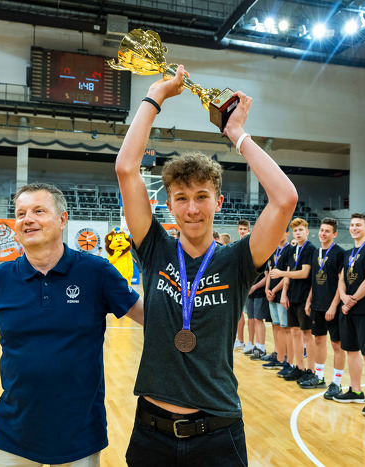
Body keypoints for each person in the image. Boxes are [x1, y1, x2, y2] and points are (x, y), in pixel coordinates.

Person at [115, 65, 297, 466]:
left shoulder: (238, 259)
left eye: (201, 196)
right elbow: (126, 169)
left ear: (219, 202)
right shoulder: (155, 248)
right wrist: (155, 96)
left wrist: (237, 134)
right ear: (168, 204)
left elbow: (285, 198)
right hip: (151, 432)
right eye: (181, 198)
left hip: (217, 432)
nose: (192, 208)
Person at [0, 182, 143, 466]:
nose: (27, 219)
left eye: (38, 211)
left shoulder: (96, 272)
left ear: (62, 219)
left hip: (80, 432)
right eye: (20, 213)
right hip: (14, 430)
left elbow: (152, 318)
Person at [333, 213, 365, 419]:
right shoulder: (347, 253)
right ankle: (355, 391)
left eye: (358, 225)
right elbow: (341, 280)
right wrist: (344, 297)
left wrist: (350, 301)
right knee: (351, 351)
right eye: (352, 225)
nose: (354, 228)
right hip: (348, 308)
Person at [303, 218, 346, 395]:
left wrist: (333, 306)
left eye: (327, 231)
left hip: (333, 307)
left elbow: (341, 282)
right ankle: (319, 377)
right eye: (321, 230)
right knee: (319, 340)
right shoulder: (315, 252)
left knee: (337, 344)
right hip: (317, 305)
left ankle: (336, 382)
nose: (323, 233)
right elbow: (314, 279)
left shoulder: (340, 253)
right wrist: (309, 301)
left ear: (334, 234)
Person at [276, 218, 317, 384]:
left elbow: (304, 273)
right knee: (294, 332)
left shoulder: (310, 248)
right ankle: (299, 367)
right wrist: (284, 293)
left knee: (307, 334)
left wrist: (281, 274)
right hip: (292, 296)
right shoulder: (293, 249)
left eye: (300, 230)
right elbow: (288, 272)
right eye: (295, 231)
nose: (298, 233)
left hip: (304, 296)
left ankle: (311, 370)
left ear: (307, 231)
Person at [262, 231, 293, 372]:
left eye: (282, 231)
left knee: (284, 327)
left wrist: (274, 290)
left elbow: (287, 274)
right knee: (275, 325)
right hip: (271, 294)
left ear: (287, 233)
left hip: (280, 294)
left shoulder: (290, 250)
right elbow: (269, 272)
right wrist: (267, 289)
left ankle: (285, 356)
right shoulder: (273, 250)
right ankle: (277, 354)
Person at [235, 219, 253, 351]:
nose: (242, 231)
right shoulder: (236, 245)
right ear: (237, 230)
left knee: (252, 316)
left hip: (250, 284)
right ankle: (239, 340)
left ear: (248, 231)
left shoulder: (251, 245)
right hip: (237, 283)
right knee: (239, 313)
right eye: (240, 229)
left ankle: (251, 342)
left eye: (244, 229)